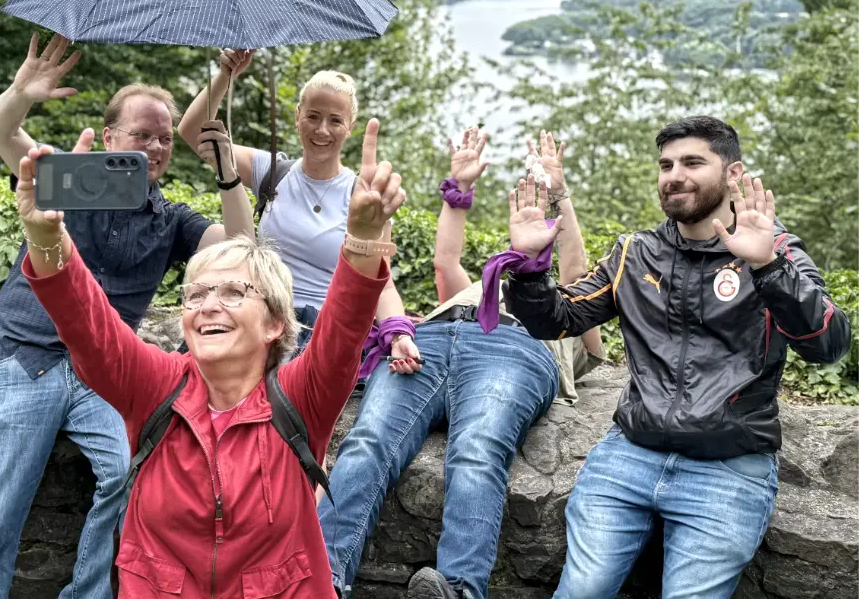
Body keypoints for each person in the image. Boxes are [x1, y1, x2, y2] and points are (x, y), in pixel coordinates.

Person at [14, 118, 404, 597]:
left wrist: (361, 239)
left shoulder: (300, 398)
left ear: (275, 323)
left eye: (233, 292)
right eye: (195, 295)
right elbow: (88, 326)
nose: (207, 306)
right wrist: (46, 236)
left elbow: (343, 330)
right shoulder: (157, 387)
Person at [0, 33, 246, 599]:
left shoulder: (171, 219)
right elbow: (0, 131)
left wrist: (228, 170)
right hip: (25, 358)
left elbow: (240, 244)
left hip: (102, 373)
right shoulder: (71, 178)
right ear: (110, 138)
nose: (156, 146)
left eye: (165, 138)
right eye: (141, 134)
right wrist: (21, 93)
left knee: (133, 476)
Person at [502, 116, 853, 599]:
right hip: (629, 454)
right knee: (582, 590)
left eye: (692, 162)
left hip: (729, 467)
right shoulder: (635, 252)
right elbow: (557, 320)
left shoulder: (773, 250)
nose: (674, 175)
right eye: (666, 165)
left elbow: (829, 344)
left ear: (733, 173)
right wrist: (527, 269)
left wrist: (767, 267)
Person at [318, 128, 601, 599]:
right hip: (430, 337)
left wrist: (559, 195)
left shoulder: (572, 315)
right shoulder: (475, 289)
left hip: (514, 346)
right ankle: (320, 578)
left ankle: (458, 589)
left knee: (477, 449)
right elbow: (445, 261)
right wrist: (459, 190)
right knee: (368, 441)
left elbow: (576, 274)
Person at [177, 51, 421, 363]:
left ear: (350, 126)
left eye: (335, 120)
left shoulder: (364, 197)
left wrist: (398, 333)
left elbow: (381, 286)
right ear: (297, 117)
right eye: (313, 116)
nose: (322, 130)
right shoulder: (271, 171)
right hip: (263, 322)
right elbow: (191, 131)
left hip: (323, 334)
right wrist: (226, 74)